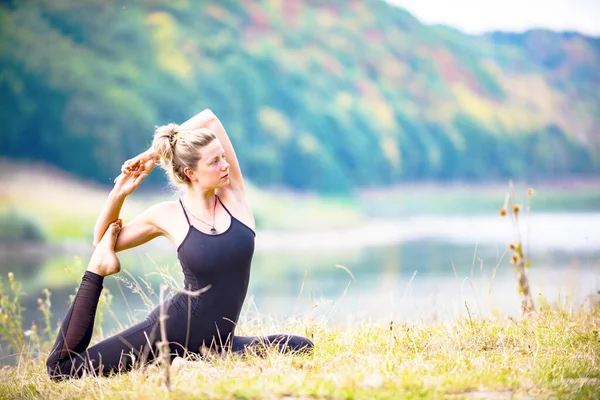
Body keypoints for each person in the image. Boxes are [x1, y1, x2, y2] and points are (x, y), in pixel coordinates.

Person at [46, 109, 314, 380]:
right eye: (214, 162)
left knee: (301, 347)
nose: (225, 165)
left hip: (220, 344)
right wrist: (119, 193)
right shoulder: (168, 215)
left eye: (223, 157)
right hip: (168, 331)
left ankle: (192, 360)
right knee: (61, 370)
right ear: (191, 173)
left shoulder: (234, 198)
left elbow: (209, 118)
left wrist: (153, 154)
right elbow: (103, 240)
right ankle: (97, 272)